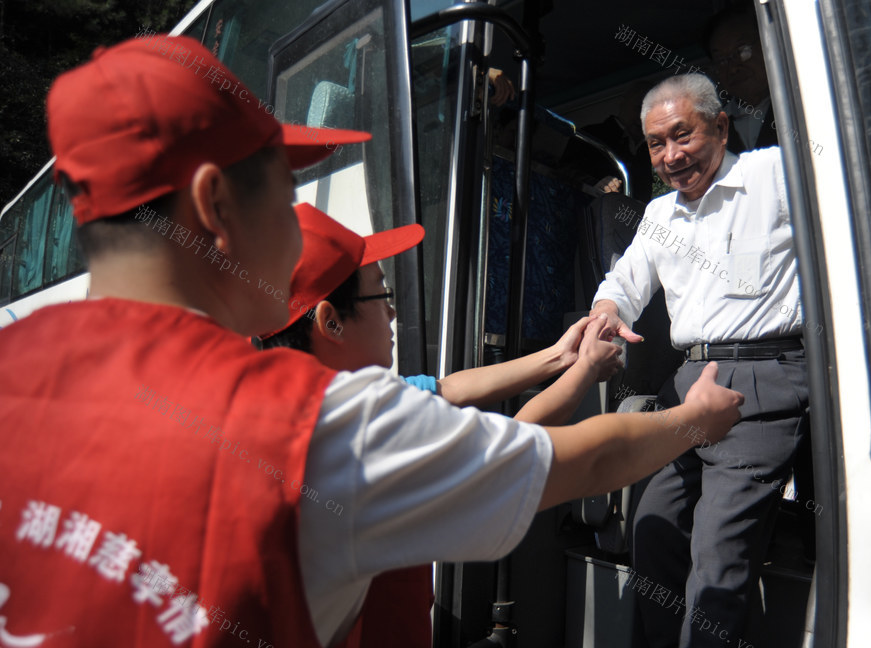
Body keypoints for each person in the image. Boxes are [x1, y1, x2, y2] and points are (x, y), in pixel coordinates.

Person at [0, 35, 743, 648]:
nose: (297, 225)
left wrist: (563, 360)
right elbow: (582, 459)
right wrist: (695, 420)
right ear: (215, 205)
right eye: (287, 193)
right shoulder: (320, 426)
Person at [260, 202, 624, 647]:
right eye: (382, 297)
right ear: (330, 321)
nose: (393, 314)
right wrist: (595, 374)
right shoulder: (367, 437)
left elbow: (447, 388)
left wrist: (558, 357)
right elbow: (521, 443)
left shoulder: (295, 410)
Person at [590, 73, 808, 648]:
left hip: (761, 384)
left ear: (720, 126)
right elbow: (626, 280)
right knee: (653, 529)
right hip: (687, 386)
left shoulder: (775, 175)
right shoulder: (661, 216)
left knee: (718, 559)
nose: (670, 155)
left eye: (681, 136)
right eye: (656, 144)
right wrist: (609, 309)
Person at [705, 3, 777, 153]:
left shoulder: (799, 104)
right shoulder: (713, 128)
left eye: (742, 51)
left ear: (767, 45)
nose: (732, 68)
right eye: (722, 60)